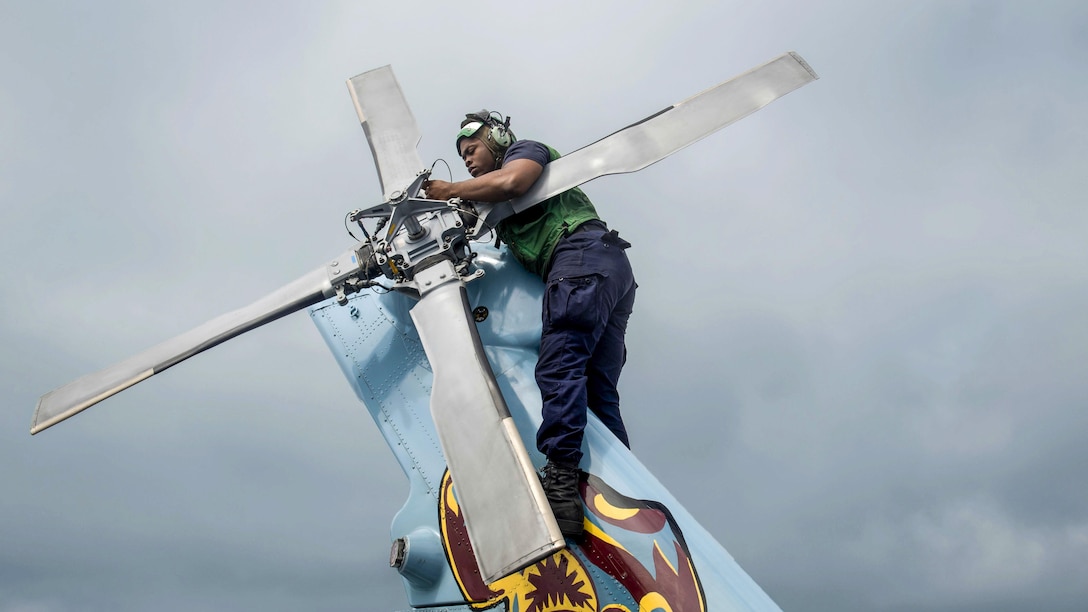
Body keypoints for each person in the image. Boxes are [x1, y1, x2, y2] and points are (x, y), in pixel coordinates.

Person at [423, 110, 637, 538]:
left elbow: (512, 182)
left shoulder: (524, 154)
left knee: (559, 365)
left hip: (580, 258)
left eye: (473, 149)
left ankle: (560, 482)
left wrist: (446, 189)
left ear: (500, 140)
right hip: (609, 269)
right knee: (597, 393)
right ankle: (618, 491)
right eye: (462, 156)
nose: (467, 160)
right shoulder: (492, 203)